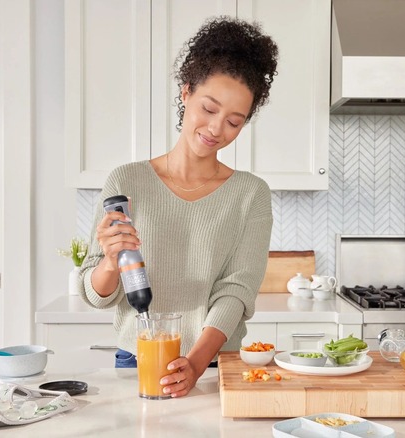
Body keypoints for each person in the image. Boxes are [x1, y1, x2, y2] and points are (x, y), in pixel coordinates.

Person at [78, 16, 279, 398]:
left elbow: (236, 290)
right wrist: (108, 260)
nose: (217, 128)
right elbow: (95, 292)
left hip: (215, 363)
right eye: (209, 108)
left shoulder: (250, 194)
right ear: (186, 92)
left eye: (234, 121)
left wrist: (197, 362)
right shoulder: (127, 182)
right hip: (138, 357)